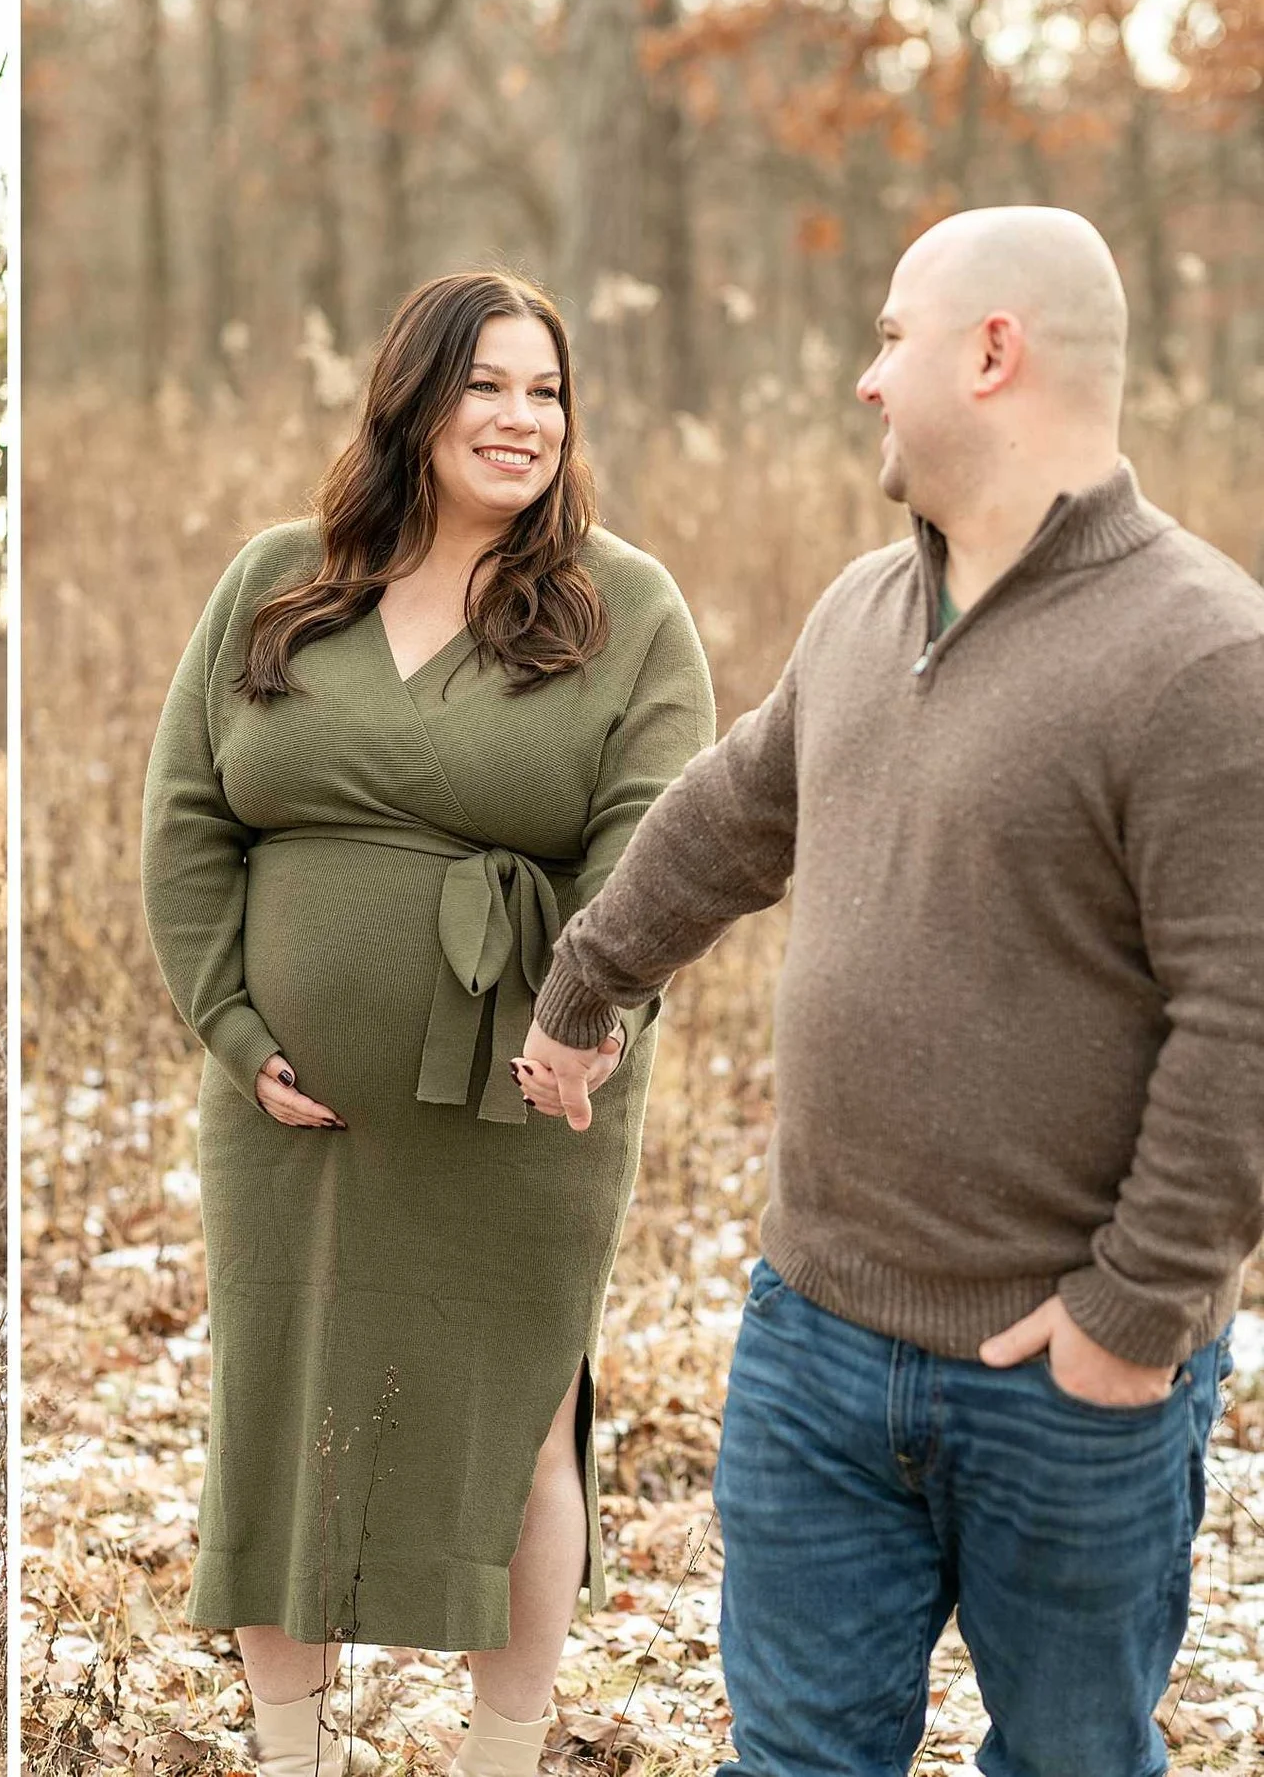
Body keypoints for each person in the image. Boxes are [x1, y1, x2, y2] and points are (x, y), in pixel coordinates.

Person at [517, 206, 1264, 1777]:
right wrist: (585, 982)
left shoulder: (1204, 655)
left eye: (889, 335)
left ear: (994, 352)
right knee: (794, 1759)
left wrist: (1133, 1316)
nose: (866, 380)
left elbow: (1247, 1021)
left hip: (1065, 1388)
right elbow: (730, 816)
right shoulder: (864, 611)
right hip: (816, 1345)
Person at [140, 270, 714, 1777]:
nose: (522, 420)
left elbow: (659, 845)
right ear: (413, 399)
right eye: (489, 387)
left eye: (548, 391)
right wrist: (233, 1022)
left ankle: (500, 1756)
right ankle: (295, 1752)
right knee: (280, 1404)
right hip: (291, 1106)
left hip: (518, 1103)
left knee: (513, 1416)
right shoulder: (280, 579)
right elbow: (187, 820)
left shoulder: (623, 609)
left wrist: (594, 1021)